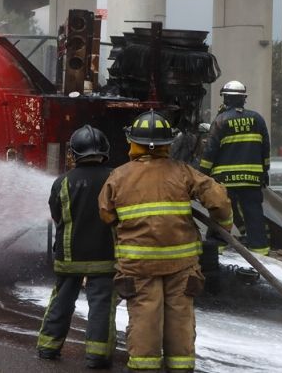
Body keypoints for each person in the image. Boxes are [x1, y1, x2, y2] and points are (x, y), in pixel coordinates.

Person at [99, 110, 232, 373]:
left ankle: (144, 368)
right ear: (167, 144)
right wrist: (223, 225)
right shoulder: (183, 172)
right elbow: (217, 198)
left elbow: (106, 214)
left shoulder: (118, 176)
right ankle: (180, 368)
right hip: (181, 264)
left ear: (133, 142)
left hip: (138, 264)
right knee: (180, 318)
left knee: (145, 317)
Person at [36, 125, 116, 368]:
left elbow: (57, 216)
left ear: (74, 152)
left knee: (61, 300)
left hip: (69, 255)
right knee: (101, 304)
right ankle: (97, 356)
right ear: (104, 150)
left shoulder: (62, 182)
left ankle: (48, 348)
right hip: (105, 255)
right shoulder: (116, 178)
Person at [198, 81, 272, 255]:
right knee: (254, 213)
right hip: (252, 178)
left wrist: (201, 174)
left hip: (225, 180)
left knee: (221, 212)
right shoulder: (257, 119)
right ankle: (260, 250)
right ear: (243, 99)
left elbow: (210, 151)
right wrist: (264, 172)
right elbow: (265, 148)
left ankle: (217, 248)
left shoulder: (221, 120)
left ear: (226, 98)